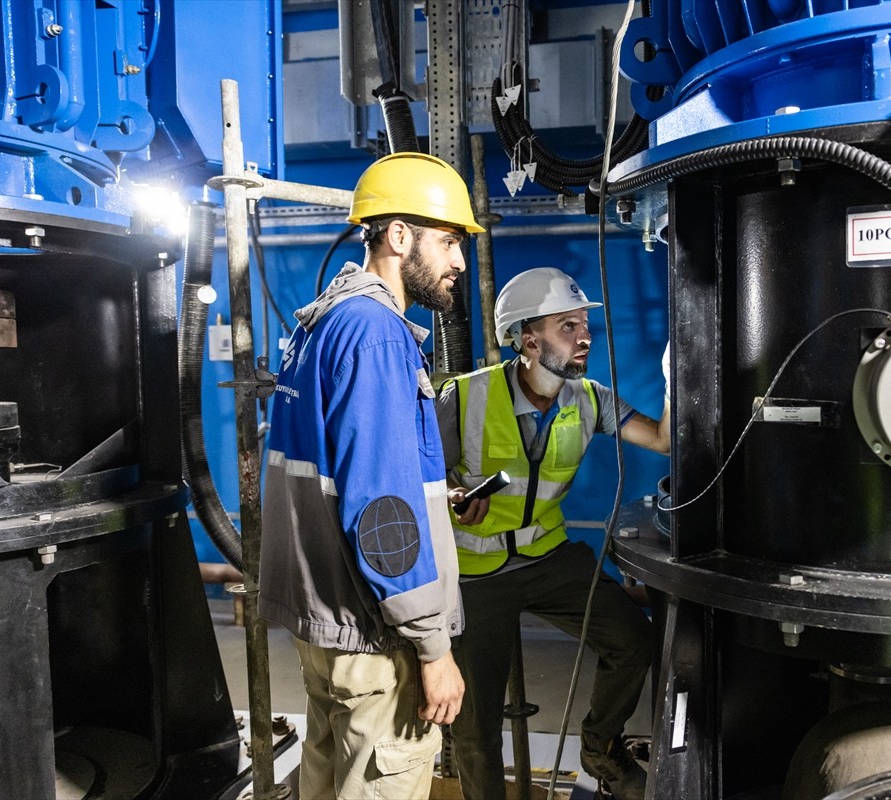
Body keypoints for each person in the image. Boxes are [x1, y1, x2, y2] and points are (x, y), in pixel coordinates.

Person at [259, 152, 484, 799]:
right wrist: (433, 649)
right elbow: (380, 507)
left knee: (327, 784)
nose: (459, 263)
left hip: (326, 630)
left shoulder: (323, 324)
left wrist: (442, 501)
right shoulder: (378, 334)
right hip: (374, 636)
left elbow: (350, 477)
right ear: (399, 236)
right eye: (449, 242)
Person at [435, 267, 670, 800]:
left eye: (584, 324)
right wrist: (452, 498)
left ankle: (599, 748)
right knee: (476, 724)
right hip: (475, 573)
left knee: (633, 641)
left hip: (549, 558)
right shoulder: (465, 397)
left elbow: (661, 439)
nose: (583, 335)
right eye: (567, 325)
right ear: (526, 338)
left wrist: (676, 375)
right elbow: (415, 475)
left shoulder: (589, 398)